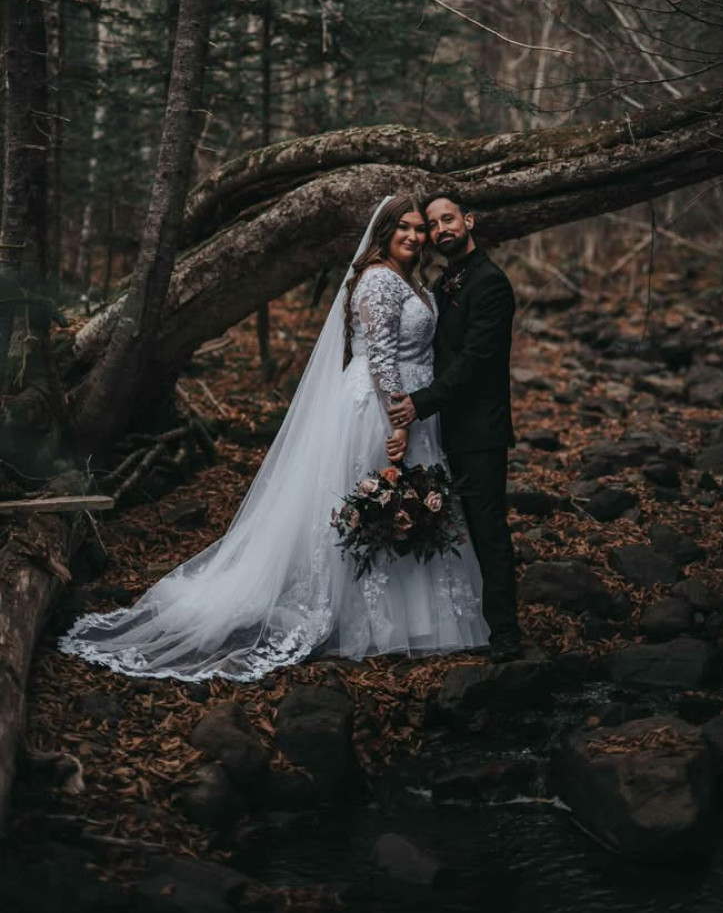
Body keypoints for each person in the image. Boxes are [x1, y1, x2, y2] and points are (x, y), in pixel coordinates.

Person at [59, 195, 489, 682]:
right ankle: (364, 618)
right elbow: (383, 358)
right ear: (385, 231)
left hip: (412, 405)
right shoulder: (378, 281)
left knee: (402, 501)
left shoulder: (410, 280)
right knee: (375, 498)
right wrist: (399, 420)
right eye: (404, 228)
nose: (414, 236)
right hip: (382, 405)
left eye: (419, 229)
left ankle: (411, 620)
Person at [389, 193, 522, 664]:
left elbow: (476, 361)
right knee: (454, 526)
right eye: (433, 224)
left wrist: (420, 403)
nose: (441, 228)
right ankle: (456, 619)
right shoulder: (448, 280)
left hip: (479, 429)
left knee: (488, 530)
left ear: (468, 221)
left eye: (449, 219)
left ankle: (505, 633)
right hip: (446, 426)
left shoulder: (490, 283)